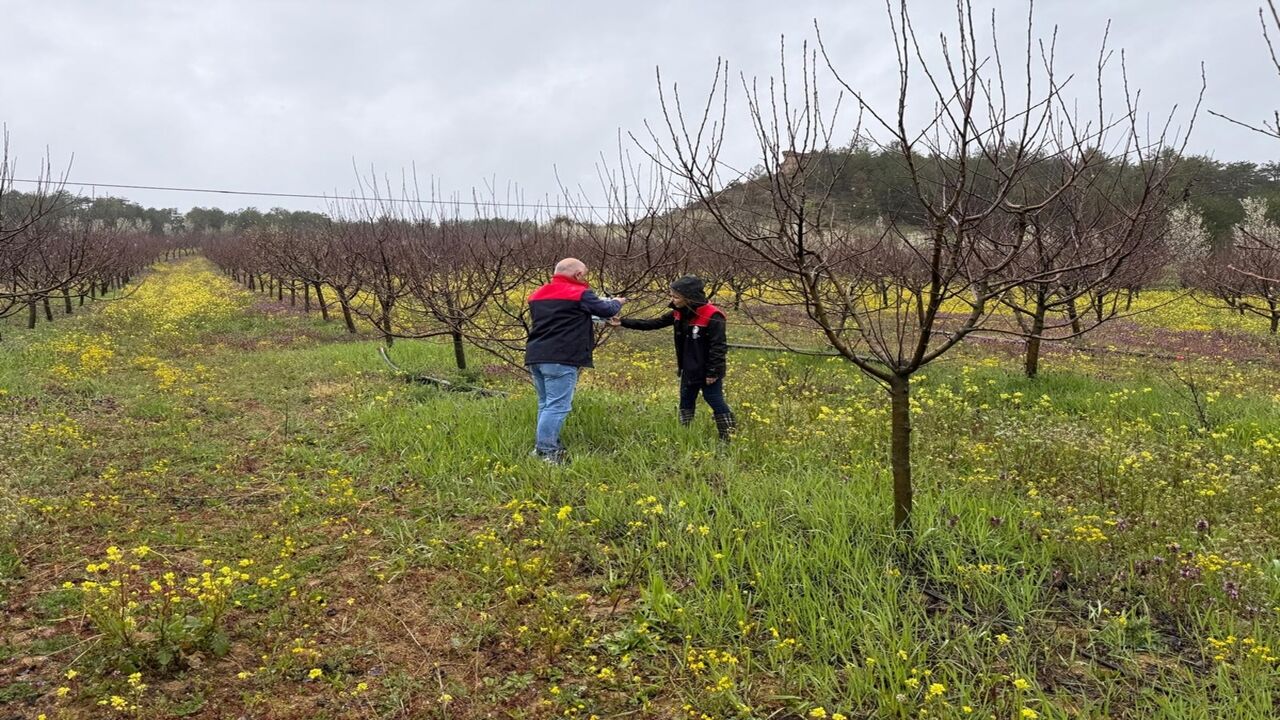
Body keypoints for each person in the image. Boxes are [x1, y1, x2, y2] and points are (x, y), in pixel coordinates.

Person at [524, 258, 626, 464]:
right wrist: (617, 302)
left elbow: (566, 316)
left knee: (546, 404)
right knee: (558, 406)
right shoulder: (579, 293)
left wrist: (598, 319)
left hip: (536, 356)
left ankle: (544, 447)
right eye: (584, 275)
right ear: (578, 275)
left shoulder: (537, 295)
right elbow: (607, 309)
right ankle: (546, 452)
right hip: (562, 358)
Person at [611, 275, 736, 441]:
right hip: (688, 368)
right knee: (686, 400)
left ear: (689, 298)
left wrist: (713, 372)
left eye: (676, 297)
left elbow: (718, 347)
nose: (672, 299)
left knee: (714, 399)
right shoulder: (678, 313)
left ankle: (728, 436)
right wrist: (623, 322)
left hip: (707, 370)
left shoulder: (712, 316)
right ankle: (684, 433)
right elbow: (654, 323)